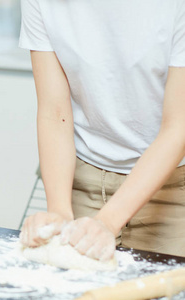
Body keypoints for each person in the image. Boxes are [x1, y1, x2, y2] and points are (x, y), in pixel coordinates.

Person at [19, 0, 185, 261]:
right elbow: (54, 113)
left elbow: (178, 128)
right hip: (82, 176)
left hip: (171, 187)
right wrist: (59, 211)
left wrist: (108, 221)